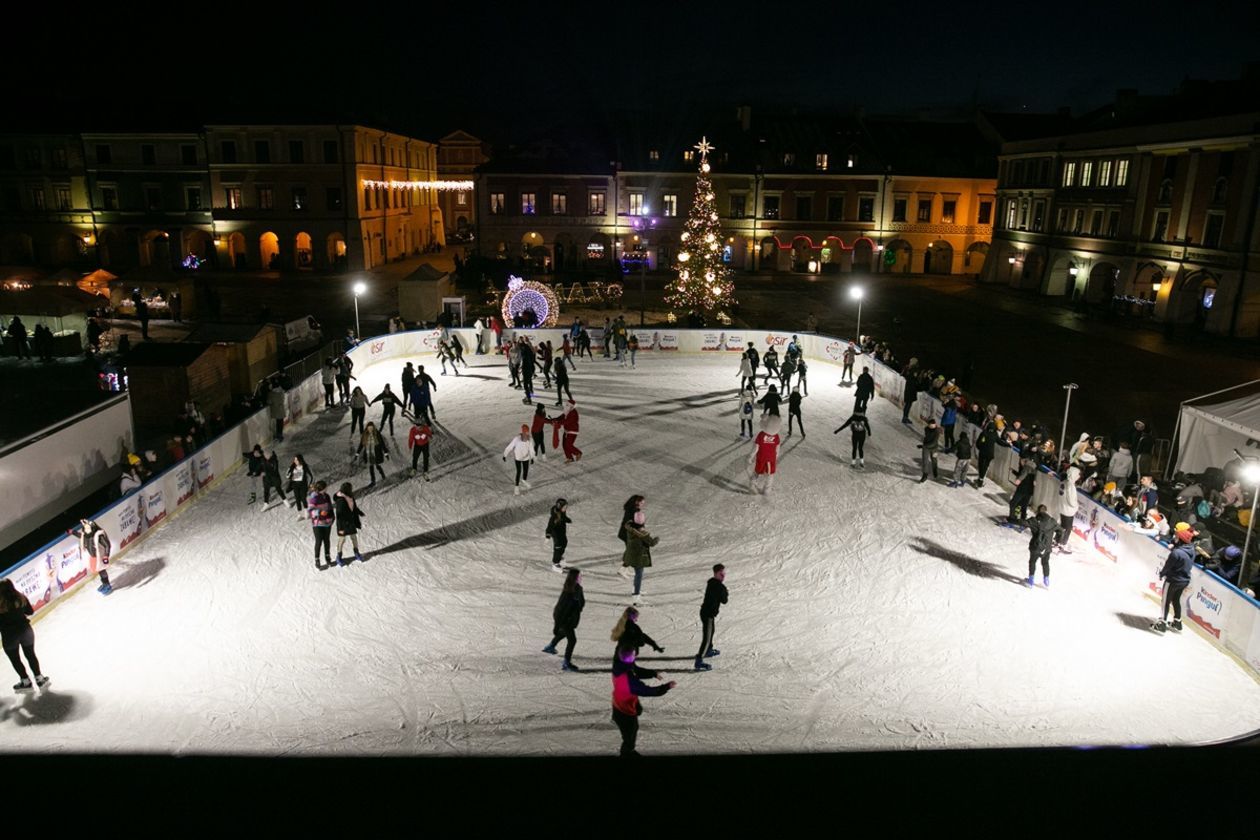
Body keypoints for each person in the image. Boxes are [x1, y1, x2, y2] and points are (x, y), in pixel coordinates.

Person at [611, 643, 676, 757]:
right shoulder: (628, 680)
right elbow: (647, 691)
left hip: (623, 702)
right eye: (634, 655)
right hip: (624, 712)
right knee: (630, 733)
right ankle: (627, 752)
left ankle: (628, 749)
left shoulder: (619, 664)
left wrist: (653, 673)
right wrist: (666, 687)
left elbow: (637, 670)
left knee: (634, 724)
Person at [0, 580, 48, 692]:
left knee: (15, 659)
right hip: (26, 631)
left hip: (10, 636)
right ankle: (39, 678)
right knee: (30, 655)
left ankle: (25, 681)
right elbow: (30, 612)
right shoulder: (21, 598)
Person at [1152, 529, 1196, 633]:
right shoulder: (1192, 551)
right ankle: (1177, 621)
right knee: (1176, 600)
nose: (1175, 538)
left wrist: (1162, 574)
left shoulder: (1176, 553)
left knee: (1165, 601)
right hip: (1184, 580)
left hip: (1173, 580)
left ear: (1180, 539)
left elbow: (1168, 565)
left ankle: (1162, 623)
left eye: (1177, 537)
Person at [542, 569, 585, 671]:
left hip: (570, 618)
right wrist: (557, 626)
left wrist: (579, 606)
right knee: (572, 640)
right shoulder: (568, 593)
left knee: (564, 633)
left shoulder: (578, 588)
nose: (581, 578)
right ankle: (566, 663)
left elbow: (581, 603)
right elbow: (561, 611)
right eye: (579, 576)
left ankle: (551, 646)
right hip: (564, 619)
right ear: (574, 578)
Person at [694, 563, 728, 671]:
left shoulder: (712, 582)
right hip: (707, 614)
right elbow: (724, 600)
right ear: (715, 574)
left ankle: (708, 650)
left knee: (712, 631)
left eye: (724, 573)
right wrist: (725, 591)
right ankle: (699, 661)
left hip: (708, 613)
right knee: (707, 638)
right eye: (721, 574)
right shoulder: (718, 586)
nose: (723, 576)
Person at [621, 508, 659, 604]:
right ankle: (636, 597)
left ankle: (636, 590)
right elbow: (652, 543)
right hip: (638, 558)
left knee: (637, 575)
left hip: (631, 555)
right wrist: (657, 539)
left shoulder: (630, 529)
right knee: (639, 575)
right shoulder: (643, 534)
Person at [1026, 504, 1060, 587]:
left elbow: (1024, 523)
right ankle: (1046, 580)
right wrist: (1057, 540)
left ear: (1038, 511)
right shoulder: (1052, 521)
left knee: (1032, 561)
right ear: (1046, 511)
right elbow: (1061, 531)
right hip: (1047, 547)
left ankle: (1031, 580)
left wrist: (1012, 520)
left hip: (1036, 546)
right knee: (1045, 562)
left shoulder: (1035, 520)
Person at [78, 518, 112, 595]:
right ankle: (104, 584)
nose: (86, 530)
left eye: (88, 528)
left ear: (92, 528)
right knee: (99, 571)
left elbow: (107, 545)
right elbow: (79, 535)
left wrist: (106, 555)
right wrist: (72, 532)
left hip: (100, 556)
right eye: (85, 528)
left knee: (102, 571)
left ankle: (107, 585)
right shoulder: (86, 536)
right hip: (93, 557)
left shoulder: (98, 535)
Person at [333, 482, 364, 565]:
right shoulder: (340, 500)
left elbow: (353, 507)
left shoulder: (350, 496)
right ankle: (338, 557)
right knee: (342, 539)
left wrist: (359, 512)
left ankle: (356, 553)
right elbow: (339, 515)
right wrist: (341, 527)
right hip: (342, 524)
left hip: (350, 522)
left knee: (354, 537)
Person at [750, 415, 782, 494]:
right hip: (771, 459)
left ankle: (752, 486)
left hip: (761, 457)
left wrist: (751, 456)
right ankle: (767, 489)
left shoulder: (761, 435)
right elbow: (777, 448)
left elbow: (756, 448)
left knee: (756, 472)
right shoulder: (776, 436)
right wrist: (776, 455)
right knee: (770, 474)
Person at [307, 480, 334, 568]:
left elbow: (330, 507)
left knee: (327, 540)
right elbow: (310, 511)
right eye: (326, 487)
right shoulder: (314, 498)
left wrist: (332, 516)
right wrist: (319, 512)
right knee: (319, 541)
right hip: (318, 523)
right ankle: (317, 559)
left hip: (327, 522)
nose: (327, 488)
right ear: (322, 488)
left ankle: (327, 556)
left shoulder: (327, 496)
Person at [503, 423, 534, 495]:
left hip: (526, 457)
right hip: (518, 458)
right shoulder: (516, 439)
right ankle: (516, 487)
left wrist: (532, 457)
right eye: (525, 432)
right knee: (519, 471)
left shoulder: (530, 440)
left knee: (526, 470)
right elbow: (510, 447)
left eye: (527, 432)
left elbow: (531, 449)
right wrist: (505, 455)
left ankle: (524, 481)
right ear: (523, 432)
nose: (527, 434)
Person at [1055, 465, 1081, 553]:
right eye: (1078, 475)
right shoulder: (1071, 486)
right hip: (1068, 511)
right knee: (1067, 529)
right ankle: (1062, 544)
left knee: (1062, 526)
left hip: (1062, 507)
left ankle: (1056, 541)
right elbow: (1071, 501)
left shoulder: (1064, 482)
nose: (1078, 477)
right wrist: (1076, 505)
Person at [1008, 453, 1036, 524]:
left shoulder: (1027, 467)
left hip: (1022, 489)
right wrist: (1013, 471)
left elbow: (1024, 474)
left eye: (1020, 461)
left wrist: (1019, 480)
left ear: (1023, 460)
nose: (1020, 463)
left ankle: (1012, 519)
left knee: (1013, 503)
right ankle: (1023, 519)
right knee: (1024, 505)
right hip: (1029, 491)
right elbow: (1027, 476)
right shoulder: (1033, 467)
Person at [972, 412, 998, 489]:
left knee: (981, 466)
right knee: (985, 467)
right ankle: (981, 480)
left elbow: (978, 442)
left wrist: (980, 448)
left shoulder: (984, 433)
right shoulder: (995, 434)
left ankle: (980, 480)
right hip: (990, 454)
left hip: (983, 453)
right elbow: (1000, 442)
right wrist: (1008, 444)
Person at [358, 421, 388, 487]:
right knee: (371, 468)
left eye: (371, 428)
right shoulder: (364, 435)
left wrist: (386, 453)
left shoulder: (377, 434)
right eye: (369, 428)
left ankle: (382, 474)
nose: (370, 429)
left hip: (376, 454)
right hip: (369, 454)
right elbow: (361, 444)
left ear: (373, 428)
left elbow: (382, 444)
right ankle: (373, 481)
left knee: (377, 466)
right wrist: (357, 453)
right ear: (367, 428)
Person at [545, 498, 571, 570]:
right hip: (556, 533)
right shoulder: (554, 516)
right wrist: (547, 536)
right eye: (564, 507)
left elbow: (563, 517)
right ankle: (555, 563)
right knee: (558, 547)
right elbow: (549, 526)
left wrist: (567, 520)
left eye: (566, 507)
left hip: (562, 531)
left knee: (564, 542)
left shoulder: (562, 512)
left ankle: (559, 557)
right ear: (560, 507)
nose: (566, 508)